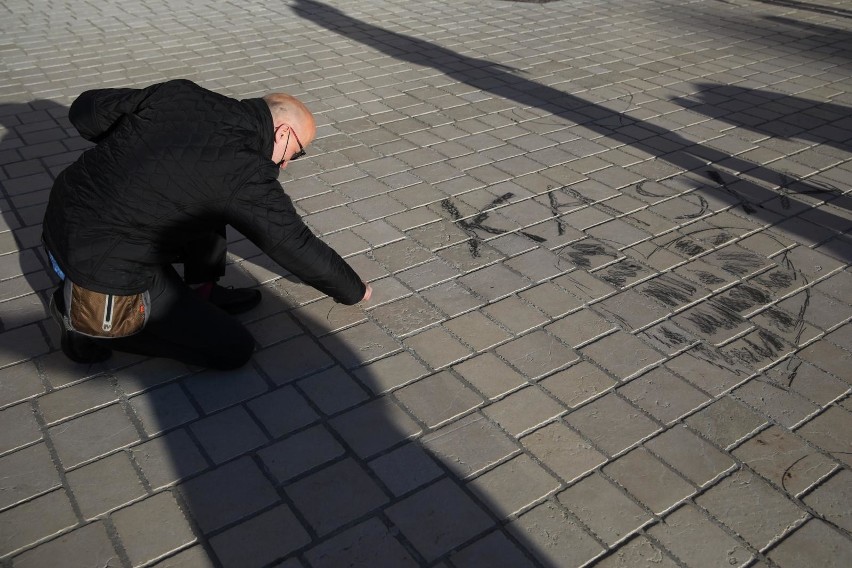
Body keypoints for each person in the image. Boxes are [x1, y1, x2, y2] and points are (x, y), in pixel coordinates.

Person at [43, 79, 372, 369]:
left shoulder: (180, 93)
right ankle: (82, 323)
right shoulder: (245, 174)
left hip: (60, 220)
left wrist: (138, 149)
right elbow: (293, 244)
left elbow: (85, 112)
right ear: (283, 132)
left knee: (205, 199)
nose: (286, 164)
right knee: (232, 349)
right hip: (101, 270)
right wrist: (353, 290)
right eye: (296, 153)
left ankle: (204, 291)